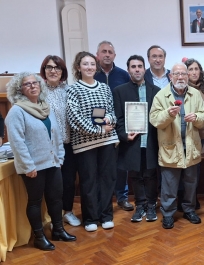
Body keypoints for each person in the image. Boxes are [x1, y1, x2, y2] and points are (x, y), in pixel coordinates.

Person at [5, 72, 76, 251]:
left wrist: (60, 157)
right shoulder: (17, 111)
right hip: (33, 167)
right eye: (27, 84)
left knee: (55, 199)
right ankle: (39, 237)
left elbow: (57, 134)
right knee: (35, 201)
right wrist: (28, 166)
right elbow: (17, 141)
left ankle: (58, 230)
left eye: (35, 82)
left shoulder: (46, 107)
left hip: (52, 163)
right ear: (19, 89)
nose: (32, 86)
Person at [149, 63, 204, 229]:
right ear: (171, 76)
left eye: (183, 74)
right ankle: (168, 214)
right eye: (177, 74)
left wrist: (196, 117)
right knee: (169, 185)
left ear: (188, 77)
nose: (181, 77)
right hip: (171, 148)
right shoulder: (161, 96)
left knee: (191, 183)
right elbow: (154, 120)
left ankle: (189, 210)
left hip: (191, 147)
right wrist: (168, 114)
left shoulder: (195, 94)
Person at [67, 51, 119, 232]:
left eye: (91, 64)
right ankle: (90, 218)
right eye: (85, 64)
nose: (89, 67)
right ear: (78, 67)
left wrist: (109, 121)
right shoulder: (73, 90)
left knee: (107, 179)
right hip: (84, 144)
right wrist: (98, 129)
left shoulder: (104, 88)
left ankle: (106, 216)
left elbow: (111, 111)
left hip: (107, 141)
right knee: (88, 181)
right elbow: (75, 119)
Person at [113, 55, 160, 222]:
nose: (137, 69)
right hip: (131, 141)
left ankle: (152, 205)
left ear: (144, 69)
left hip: (151, 140)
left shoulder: (156, 91)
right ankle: (140, 205)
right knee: (135, 174)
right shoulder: (119, 91)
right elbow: (118, 118)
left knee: (150, 174)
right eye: (133, 67)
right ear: (128, 70)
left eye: (140, 66)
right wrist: (124, 135)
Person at [39, 55, 81, 227]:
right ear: (44, 70)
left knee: (69, 181)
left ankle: (68, 211)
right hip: (47, 146)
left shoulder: (69, 90)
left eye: (57, 68)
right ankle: (52, 216)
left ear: (63, 71)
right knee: (51, 183)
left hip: (68, 144)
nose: (53, 71)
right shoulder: (39, 92)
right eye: (49, 67)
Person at [95, 41, 133, 212]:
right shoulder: (92, 74)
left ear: (115, 56)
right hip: (98, 127)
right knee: (100, 165)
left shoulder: (123, 75)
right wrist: (99, 123)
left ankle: (122, 197)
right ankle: (103, 198)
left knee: (120, 165)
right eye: (104, 51)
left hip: (119, 125)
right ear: (98, 55)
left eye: (110, 52)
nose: (107, 54)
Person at [183, 58, 204, 210]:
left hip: (201, 132)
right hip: (185, 132)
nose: (193, 72)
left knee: (196, 167)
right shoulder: (181, 88)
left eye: (196, 69)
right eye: (190, 69)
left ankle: (193, 197)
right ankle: (184, 198)